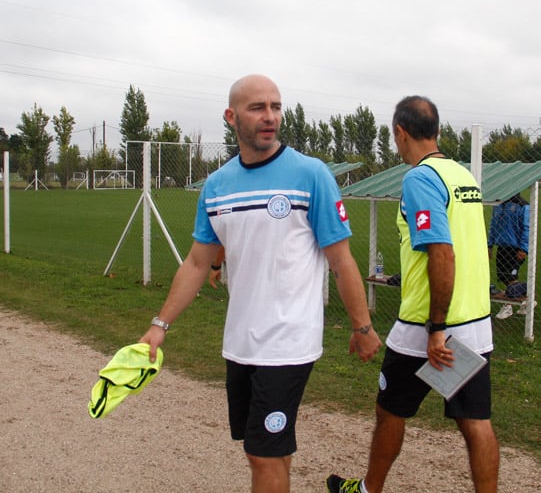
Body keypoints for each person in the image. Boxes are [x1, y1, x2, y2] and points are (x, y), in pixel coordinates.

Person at [139, 74, 382, 493]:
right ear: (232, 117)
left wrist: (362, 327)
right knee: (270, 450)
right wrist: (159, 326)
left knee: (262, 452)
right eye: (258, 108)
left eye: (276, 106)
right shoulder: (216, 187)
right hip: (241, 342)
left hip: (288, 341)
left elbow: (341, 260)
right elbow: (198, 262)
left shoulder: (311, 175)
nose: (270, 117)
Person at [327, 96, 499, 493]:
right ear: (437, 131)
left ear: (400, 134)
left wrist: (436, 327)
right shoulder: (461, 176)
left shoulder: (420, 179)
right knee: (475, 421)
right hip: (475, 322)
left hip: (428, 331)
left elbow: (442, 252)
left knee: (390, 410)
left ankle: (369, 490)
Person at [487, 193, 530, 319]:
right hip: (501, 245)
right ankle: (528, 298)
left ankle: (508, 306)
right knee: (503, 276)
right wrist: (489, 245)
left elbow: (527, 228)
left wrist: (523, 248)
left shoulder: (523, 206)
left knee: (511, 276)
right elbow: (493, 224)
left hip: (515, 248)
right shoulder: (498, 204)